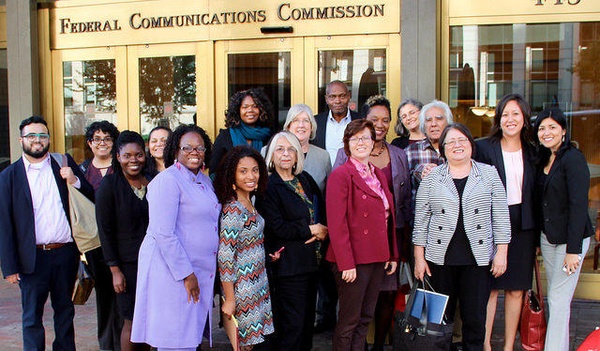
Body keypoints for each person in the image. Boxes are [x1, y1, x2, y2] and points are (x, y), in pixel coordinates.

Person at [413, 123, 511, 351]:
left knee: (475, 320)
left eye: (462, 140)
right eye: (450, 142)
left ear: (471, 144)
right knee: (434, 322)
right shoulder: (432, 177)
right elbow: (421, 221)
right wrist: (419, 257)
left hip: (477, 260)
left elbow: (501, 216)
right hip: (438, 261)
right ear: (443, 149)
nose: (457, 146)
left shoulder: (489, 173)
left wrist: (501, 253)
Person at [0, 116, 94, 351]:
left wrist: (74, 181)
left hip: (64, 254)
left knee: (65, 312)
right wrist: (9, 267)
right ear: (21, 139)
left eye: (42, 135)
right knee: (32, 316)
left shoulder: (63, 163)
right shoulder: (9, 176)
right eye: (32, 136)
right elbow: (5, 224)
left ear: (49, 139)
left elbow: (90, 194)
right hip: (31, 259)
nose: (37, 140)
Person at [131, 124, 221, 350]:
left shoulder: (204, 180)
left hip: (197, 270)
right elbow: (164, 233)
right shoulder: (167, 181)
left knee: (188, 336)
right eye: (187, 147)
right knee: (175, 337)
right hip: (174, 273)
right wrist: (187, 274)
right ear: (175, 151)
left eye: (200, 148)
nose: (194, 152)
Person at [332, 95, 411, 351]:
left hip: (377, 257)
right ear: (347, 144)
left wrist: (391, 254)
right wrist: (346, 263)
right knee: (349, 322)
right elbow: (337, 223)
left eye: (366, 138)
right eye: (356, 139)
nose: (362, 143)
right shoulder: (341, 175)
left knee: (365, 319)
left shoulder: (376, 174)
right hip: (353, 260)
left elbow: (388, 219)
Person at [475, 94, 538, 351]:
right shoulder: (484, 147)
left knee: (515, 290)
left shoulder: (535, 151)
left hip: (523, 225)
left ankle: (508, 346)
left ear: (524, 118)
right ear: (498, 119)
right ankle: (486, 344)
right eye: (505, 114)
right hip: (490, 224)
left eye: (516, 114)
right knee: (490, 288)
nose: (510, 119)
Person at [256, 131, 328, 351]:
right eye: (280, 149)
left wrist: (322, 230)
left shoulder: (304, 179)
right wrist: (309, 229)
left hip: (311, 263)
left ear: (298, 155)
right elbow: (276, 226)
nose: (286, 154)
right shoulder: (268, 186)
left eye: (291, 149)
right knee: (292, 326)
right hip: (289, 267)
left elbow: (320, 210)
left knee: (307, 325)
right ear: (271, 155)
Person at [535, 107, 594, 351]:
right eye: (541, 128)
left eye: (552, 127)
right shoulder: (543, 158)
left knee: (559, 300)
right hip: (549, 239)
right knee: (557, 301)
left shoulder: (573, 158)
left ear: (563, 131)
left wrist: (574, 250)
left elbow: (579, 206)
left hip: (572, 240)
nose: (546, 132)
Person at [96, 131, 151, 351]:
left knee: (149, 318)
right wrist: (114, 270)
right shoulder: (109, 185)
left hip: (153, 263)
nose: (133, 160)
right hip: (126, 266)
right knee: (131, 319)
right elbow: (105, 231)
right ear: (118, 156)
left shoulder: (153, 181)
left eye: (138, 154)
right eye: (127, 155)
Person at [215, 146, 275, 350]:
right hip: (243, 290)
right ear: (231, 175)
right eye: (243, 171)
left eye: (255, 170)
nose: (251, 176)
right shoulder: (233, 210)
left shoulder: (249, 201)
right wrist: (230, 299)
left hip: (258, 284)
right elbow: (225, 257)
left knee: (255, 344)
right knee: (246, 346)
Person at [80, 120, 123, 351]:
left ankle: (123, 343)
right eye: (97, 139)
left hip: (121, 241)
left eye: (107, 138)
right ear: (90, 143)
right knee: (104, 296)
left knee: (122, 295)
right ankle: (107, 344)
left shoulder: (122, 166)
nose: (102, 143)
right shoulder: (82, 170)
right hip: (94, 244)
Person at [209, 88, 274, 176]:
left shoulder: (269, 137)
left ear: (262, 110)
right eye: (245, 107)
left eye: (255, 106)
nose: (250, 110)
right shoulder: (225, 136)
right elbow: (214, 171)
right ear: (237, 110)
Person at [405, 99, 453, 201]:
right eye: (428, 120)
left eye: (439, 119)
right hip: (422, 214)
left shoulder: (458, 149)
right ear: (423, 125)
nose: (433, 124)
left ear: (448, 122)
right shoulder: (410, 152)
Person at [282, 104, 331, 193]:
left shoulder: (323, 157)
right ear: (288, 126)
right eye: (295, 120)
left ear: (312, 126)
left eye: (306, 121)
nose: (301, 125)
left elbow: (329, 194)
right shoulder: (271, 152)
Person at [312, 80, 361, 166]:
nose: (337, 101)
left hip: (353, 176)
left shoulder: (361, 121)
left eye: (342, 96)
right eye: (332, 97)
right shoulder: (316, 122)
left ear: (349, 96)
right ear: (326, 99)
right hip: (324, 177)